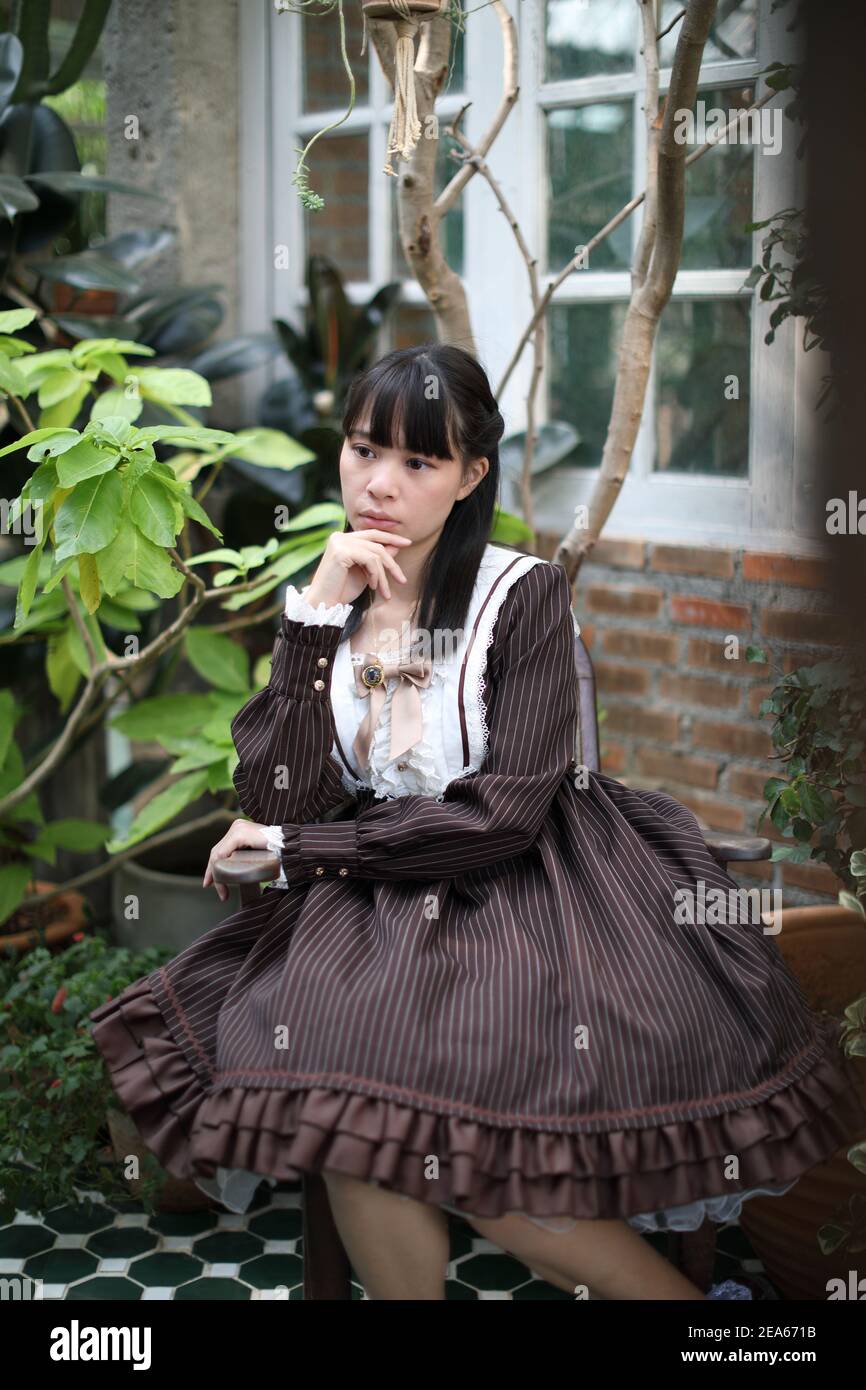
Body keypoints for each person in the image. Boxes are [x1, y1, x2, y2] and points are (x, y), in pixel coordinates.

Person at [90, 343, 866, 1301]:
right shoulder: (331, 597)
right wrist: (312, 624)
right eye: (364, 450)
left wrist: (304, 849)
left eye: (418, 462)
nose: (379, 484)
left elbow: (503, 815)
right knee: (352, 1120)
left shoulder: (523, 594)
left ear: (470, 475)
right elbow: (276, 793)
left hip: (537, 893)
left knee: (500, 1191)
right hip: (377, 899)